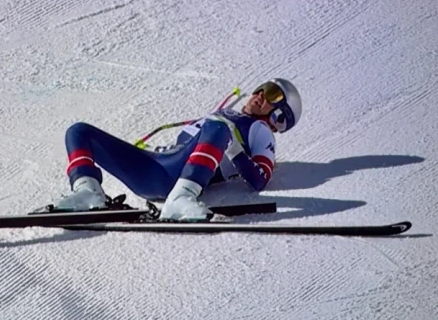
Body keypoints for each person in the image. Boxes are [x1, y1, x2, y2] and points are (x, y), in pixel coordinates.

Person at [55, 78, 302, 221]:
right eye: (262, 88)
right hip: (154, 166)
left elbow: (260, 180)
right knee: (78, 131)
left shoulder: (260, 130)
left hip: (179, 177)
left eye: (272, 94)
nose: (260, 94)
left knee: (218, 128)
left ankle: (182, 197)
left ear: (279, 116)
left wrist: (234, 149)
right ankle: (88, 192)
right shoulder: (226, 115)